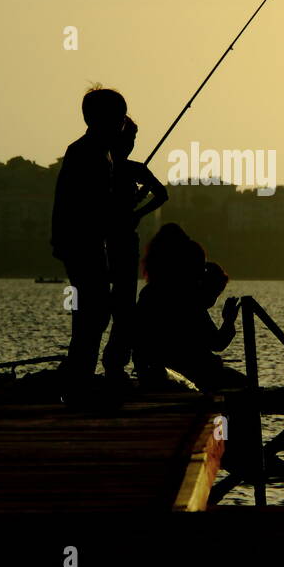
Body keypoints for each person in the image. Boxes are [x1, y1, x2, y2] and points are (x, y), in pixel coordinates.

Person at [50, 86, 127, 383]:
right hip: (83, 244)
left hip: (88, 242)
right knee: (92, 312)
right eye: (118, 116)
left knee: (93, 311)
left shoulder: (99, 152)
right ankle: (80, 371)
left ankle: (81, 368)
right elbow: (72, 199)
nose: (122, 123)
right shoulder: (85, 152)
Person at [133, 225, 245, 393]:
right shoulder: (185, 299)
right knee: (245, 385)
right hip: (193, 373)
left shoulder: (149, 293)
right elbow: (216, 342)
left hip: (158, 371)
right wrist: (228, 321)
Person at [100, 117, 168, 378]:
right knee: (120, 304)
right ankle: (113, 363)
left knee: (123, 305)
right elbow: (161, 195)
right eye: (128, 138)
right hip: (116, 241)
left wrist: (138, 212)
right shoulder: (128, 169)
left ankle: (113, 363)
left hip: (118, 241)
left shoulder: (126, 169)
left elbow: (162, 194)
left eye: (133, 140)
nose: (131, 144)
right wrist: (138, 212)